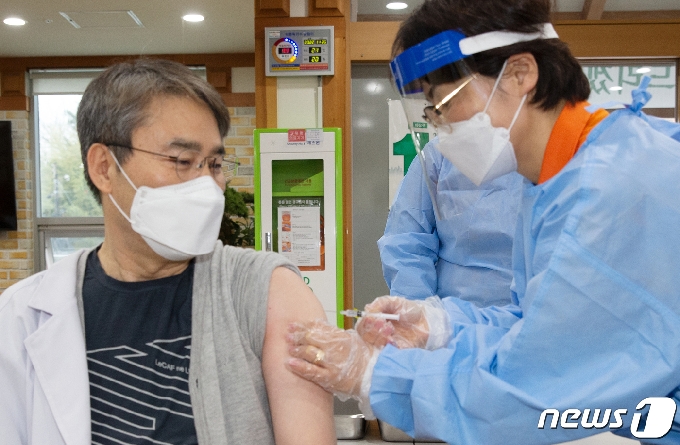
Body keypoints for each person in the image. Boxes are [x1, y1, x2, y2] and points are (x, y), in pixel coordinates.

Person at [285, 0, 680, 444]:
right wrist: (441, 325)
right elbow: (532, 323)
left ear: (519, 74)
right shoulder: (556, 181)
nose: (439, 125)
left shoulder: (607, 192)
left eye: (445, 103)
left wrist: (373, 373)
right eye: (430, 112)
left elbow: (533, 388)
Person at [0, 59, 335, 445]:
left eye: (214, 163)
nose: (208, 186)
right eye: (182, 161)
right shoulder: (23, 316)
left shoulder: (267, 292)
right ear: (104, 167)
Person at [379, 137, 522, 306]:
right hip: (453, 322)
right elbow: (406, 244)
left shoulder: (543, 153)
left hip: (537, 317)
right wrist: (418, 313)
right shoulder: (440, 154)